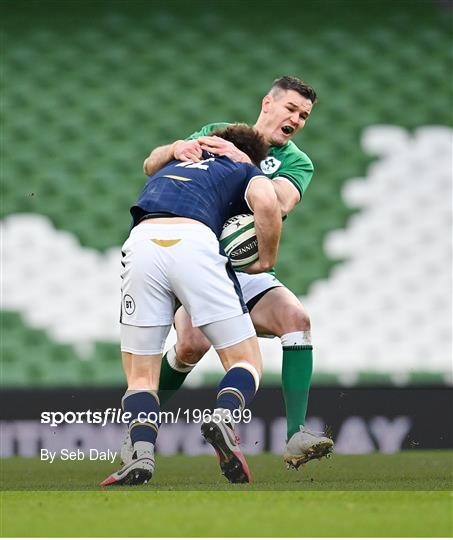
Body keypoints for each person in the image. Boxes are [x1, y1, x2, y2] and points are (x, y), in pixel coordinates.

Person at [128, 75, 334, 470]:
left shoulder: (295, 161)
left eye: (304, 115)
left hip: (241, 265)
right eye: (291, 108)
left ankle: (295, 435)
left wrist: (245, 164)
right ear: (268, 105)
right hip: (199, 258)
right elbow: (151, 165)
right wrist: (176, 147)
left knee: (297, 319)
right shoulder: (218, 134)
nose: (296, 119)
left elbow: (281, 204)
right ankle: (140, 434)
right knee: (190, 345)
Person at [101, 124, 282, 486]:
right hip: (195, 240)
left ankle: (142, 454)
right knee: (246, 360)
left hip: (142, 241)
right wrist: (265, 259)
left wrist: (176, 146)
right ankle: (225, 418)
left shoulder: (178, 158)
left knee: (140, 377)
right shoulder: (244, 168)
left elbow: (148, 162)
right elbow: (266, 203)